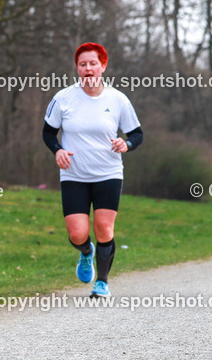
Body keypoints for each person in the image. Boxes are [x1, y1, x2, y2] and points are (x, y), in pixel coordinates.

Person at [42, 43, 143, 298]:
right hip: (74, 174)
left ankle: (102, 282)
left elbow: (137, 134)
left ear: (103, 66)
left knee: (104, 229)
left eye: (93, 64)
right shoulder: (63, 98)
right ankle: (86, 252)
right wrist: (57, 150)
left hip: (108, 173)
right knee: (77, 234)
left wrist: (127, 144)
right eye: (83, 64)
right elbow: (48, 132)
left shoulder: (118, 99)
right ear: (77, 68)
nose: (88, 68)